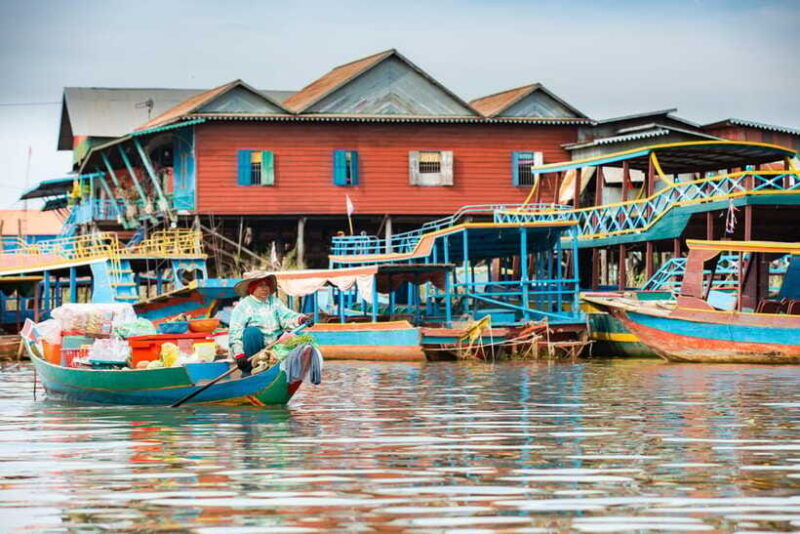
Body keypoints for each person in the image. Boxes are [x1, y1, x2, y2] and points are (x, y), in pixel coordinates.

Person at [229, 272, 313, 375]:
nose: (265, 288)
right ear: (252, 288)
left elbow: (286, 316)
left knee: (296, 338)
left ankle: (283, 372)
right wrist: (239, 355)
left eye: (266, 285)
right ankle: (249, 372)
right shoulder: (243, 306)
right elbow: (235, 332)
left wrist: (301, 319)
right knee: (251, 332)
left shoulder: (275, 302)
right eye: (260, 285)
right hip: (254, 349)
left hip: (274, 344)